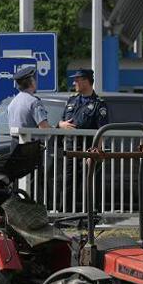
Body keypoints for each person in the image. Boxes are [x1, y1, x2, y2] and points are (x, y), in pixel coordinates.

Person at [58, 69, 109, 212]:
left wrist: (95, 152)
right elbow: (61, 121)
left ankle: (90, 217)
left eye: (77, 80)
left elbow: (102, 130)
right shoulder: (71, 100)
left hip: (87, 150)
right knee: (68, 183)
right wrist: (61, 125)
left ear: (86, 81)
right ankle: (65, 216)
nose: (74, 83)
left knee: (90, 185)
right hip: (70, 149)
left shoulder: (99, 104)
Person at [6, 64, 51, 132]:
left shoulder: (12, 102)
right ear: (32, 82)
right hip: (30, 142)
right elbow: (44, 129)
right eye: (34, 80)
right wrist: (58, 127)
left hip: (14, 141)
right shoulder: (34, 102)